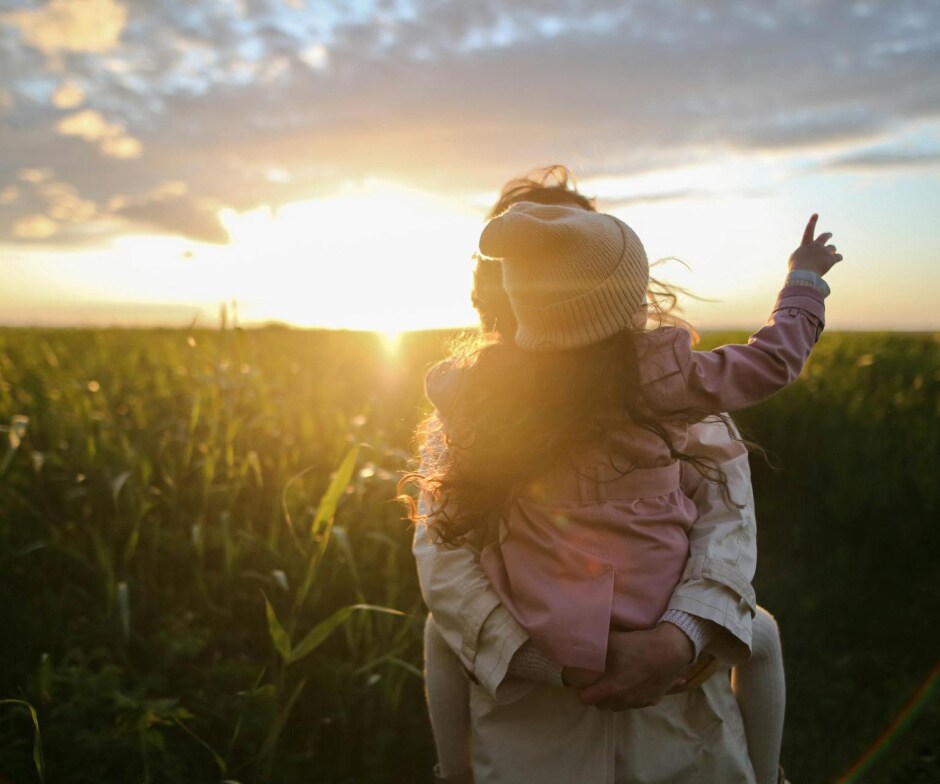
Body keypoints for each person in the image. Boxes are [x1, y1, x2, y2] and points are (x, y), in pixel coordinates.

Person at [409, 167, 836, 783]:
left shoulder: (480, 396)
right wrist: (804, 284)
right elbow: (445, 560)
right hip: (536, 726)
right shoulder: (669, 381)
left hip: (673, 721)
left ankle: (450, 774)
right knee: (761, 632)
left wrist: (677, 640)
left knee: (438, 635)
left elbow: (727, 522)